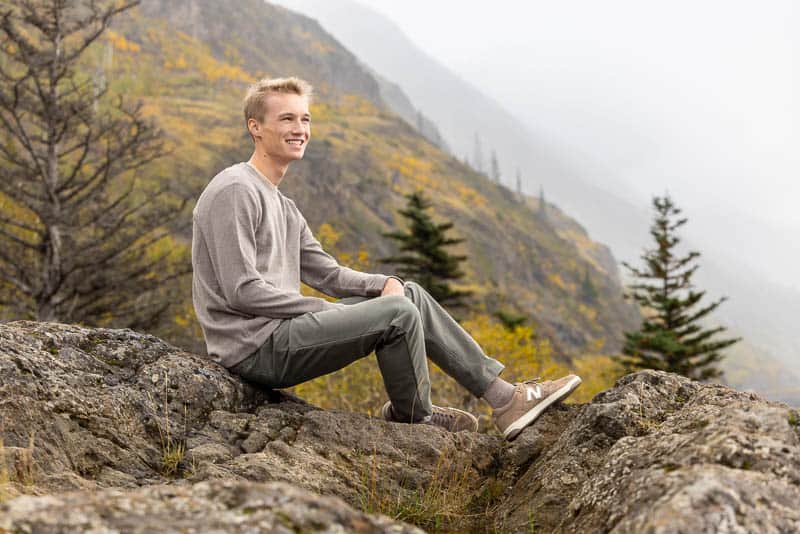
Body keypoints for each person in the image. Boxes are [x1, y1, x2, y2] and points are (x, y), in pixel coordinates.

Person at [191, 76, 582, 441]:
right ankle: (416, 418)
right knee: (396, 314)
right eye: (286, 119)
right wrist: (324, 310)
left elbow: (327, 273)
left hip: (283, 333)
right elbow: (242, 291)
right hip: (255, 348)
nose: (299, 129)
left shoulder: (283, 205)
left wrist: (382, 284)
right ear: (256, 127)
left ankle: (505, 399)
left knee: (407, 296)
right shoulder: (235, 190)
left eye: (305, 119)